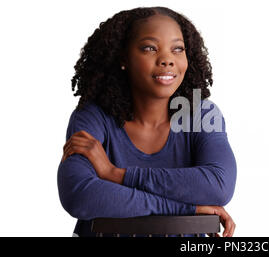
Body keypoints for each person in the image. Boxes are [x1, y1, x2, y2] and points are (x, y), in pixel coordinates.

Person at [57, 6, 237, 237]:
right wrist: (186, 209)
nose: (167, 60)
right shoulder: (93, 116)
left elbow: (218, 186)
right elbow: (80, 196)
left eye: (177, 49)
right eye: (150, 48)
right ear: (124, 57)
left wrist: (114, 174)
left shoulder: (201, 115)